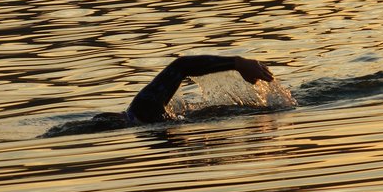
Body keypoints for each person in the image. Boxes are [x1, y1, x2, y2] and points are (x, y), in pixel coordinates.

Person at [41, 55, 275, 137]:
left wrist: (237, 63)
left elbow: (181, 65)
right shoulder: (147, 114)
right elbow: (181, 66)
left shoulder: (145, 111)